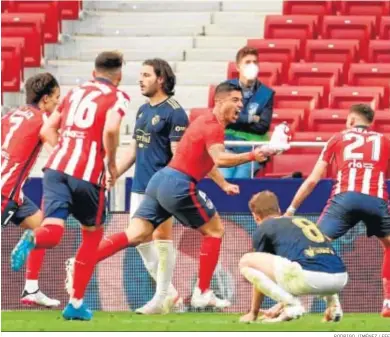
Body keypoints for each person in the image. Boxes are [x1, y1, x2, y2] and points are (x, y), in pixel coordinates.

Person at [98, 82, 278, 314]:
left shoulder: (204, 122)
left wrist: (223, 183)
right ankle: (202, 292)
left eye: (242, 102)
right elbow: (220, 160)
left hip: (159, 180)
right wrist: (254, 154)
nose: (240, 106)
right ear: (219, 101)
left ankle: (83, 263)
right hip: (179, 184)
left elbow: (208, 160)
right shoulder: (213, 126)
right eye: (235, 100)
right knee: (215, 231)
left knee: (135, 235)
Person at [11, 51, 130, 321]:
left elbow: (47, 130)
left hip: (55, 169)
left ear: (93, 72)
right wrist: (111, 164)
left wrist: (64, 151)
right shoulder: (118, 96)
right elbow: (111, 129)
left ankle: (34, 237)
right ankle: (75, 303)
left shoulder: (75, 91)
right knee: (92, 234)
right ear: (119, 76)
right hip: (88, 175)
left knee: (51, 231)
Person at [65, 58, 189, 313]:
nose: (140, 79)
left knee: (159, 237)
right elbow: (134, 149)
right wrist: (114, 173)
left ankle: (161, 298)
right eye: (140, 74)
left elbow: (179, 155)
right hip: (139, 187)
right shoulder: (143, 110)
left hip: (161, 187)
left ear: (161, 78)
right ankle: (172, 296)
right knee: (141, 241)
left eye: (146, 75)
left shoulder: (175, 111)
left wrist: (171, 184)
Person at [284, 104, 390, 318]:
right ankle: (388, 302)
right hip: (376, 199)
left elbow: (313, 180)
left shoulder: (337, 138)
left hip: (344, 199)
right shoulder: (385, 140)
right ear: (370, 122)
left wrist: (291, 209)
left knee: (315, 246)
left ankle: (294, 303)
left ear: (351, 120)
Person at [239, 191, 348, 323]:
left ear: (255, 216)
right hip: (340, 278)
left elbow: (262, 275)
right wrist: (279, 306)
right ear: (279, 210)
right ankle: (334, 306)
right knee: (318, 259)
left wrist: (253, 312)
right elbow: (295, 269)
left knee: (246, 261)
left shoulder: (264, 228)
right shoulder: (301, 222)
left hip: (310, 278)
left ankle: (292, 306)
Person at [2, 73, 61, 307]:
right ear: (45, 98)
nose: (58, 101)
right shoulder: (42, 121)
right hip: (5, 191)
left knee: (42, 228)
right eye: (56, 97)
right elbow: (54, 147)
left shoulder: (10, 115)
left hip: (15, 192)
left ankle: (31, 288)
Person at [221, 46, 274, 179]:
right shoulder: (226, 88)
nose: (252, 65)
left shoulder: (266, 94)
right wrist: (251, 118)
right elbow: (222, 118)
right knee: (224, 179)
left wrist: (235, 119)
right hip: (228, 146)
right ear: (238, 67)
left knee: (240, 180)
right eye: (247, 62)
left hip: (252, 149)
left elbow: (263, 126)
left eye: (255, 62)